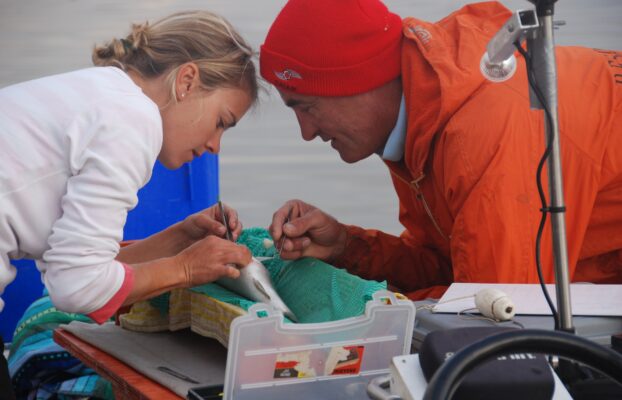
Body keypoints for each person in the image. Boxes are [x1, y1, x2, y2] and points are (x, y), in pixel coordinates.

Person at [262, 0, 622, 301]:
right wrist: (345, 246)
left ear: (359, 80)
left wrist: (364, 308)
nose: (305, 133)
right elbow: (448, 262)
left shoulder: (479, 134)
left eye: (307, 107)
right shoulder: (424, 113)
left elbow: (495, 310)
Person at [0, 11, 256, 397]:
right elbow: (79, 288)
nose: (214, 146)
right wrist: (186, 269)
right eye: (222, 121)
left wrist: (180, 238)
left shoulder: (100, 94)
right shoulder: (134, 120)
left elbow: (72, 272)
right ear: (187, 81)